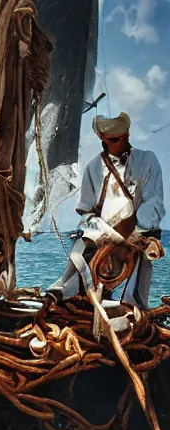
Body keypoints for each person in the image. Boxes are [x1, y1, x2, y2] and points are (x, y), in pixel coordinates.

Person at [48, 112, 163, 309]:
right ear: (103, 140)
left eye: (124, 137)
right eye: (115, 140)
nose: (122, 142)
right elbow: (85, 210)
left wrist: (136, 230)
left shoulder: (147, 161)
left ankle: (134, 309)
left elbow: (154, 202)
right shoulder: (93, 168)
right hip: (102, 232)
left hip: (136, 233)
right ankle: (66, 290)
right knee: (83, 244)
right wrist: (108, 231)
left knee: (139, 274)